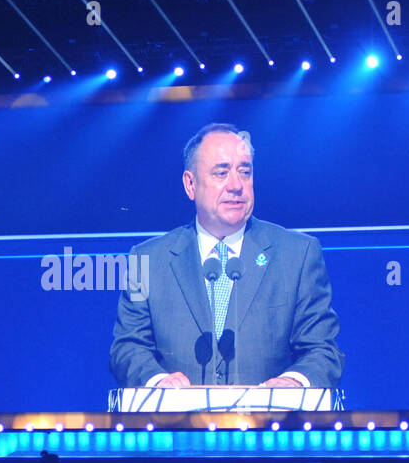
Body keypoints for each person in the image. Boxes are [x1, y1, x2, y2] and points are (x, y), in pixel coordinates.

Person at [110, 123, 344, 389]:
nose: (236, 185)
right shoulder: (147, 260)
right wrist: (159, 382)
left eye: (245, 172)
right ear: (190, 184)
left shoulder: (298, 255)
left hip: (270, 426)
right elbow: (128, 347)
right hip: (176, 427)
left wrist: (293, 383)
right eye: (221, 173)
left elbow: (323, 350)